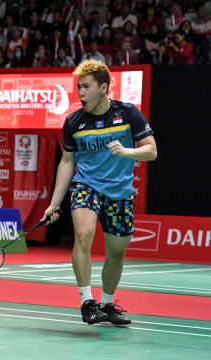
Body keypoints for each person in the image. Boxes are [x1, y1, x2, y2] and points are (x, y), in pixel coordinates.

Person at [42, 59, 157, 326]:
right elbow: (67, 162)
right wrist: (54, 204)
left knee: (116, 252)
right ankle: (87, 302)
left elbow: (151, 150)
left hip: (120, 192)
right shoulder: (73, 122)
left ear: (103, 87)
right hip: (87, 185)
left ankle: (107, 304)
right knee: (83, 235)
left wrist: (127, 151)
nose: (80, 93)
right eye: (78, 87)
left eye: (86, 87)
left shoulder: (128, 113)